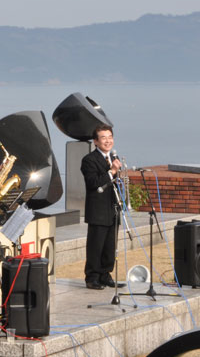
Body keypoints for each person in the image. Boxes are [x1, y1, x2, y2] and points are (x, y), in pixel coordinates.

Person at [81, 124, 121, 290]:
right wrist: (111, 172)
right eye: (103, 138)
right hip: (98, 210)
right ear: (96, 142)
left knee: (110, 246)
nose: (108, 141)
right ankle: (92, 277)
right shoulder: (89, 160)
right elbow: (93, 183)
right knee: (96, 246)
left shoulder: (113, 158)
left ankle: (105, 275)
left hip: (112, 209)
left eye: (110, 137)